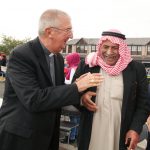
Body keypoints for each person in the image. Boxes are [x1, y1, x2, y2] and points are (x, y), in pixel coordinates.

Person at [0, 9, 101, 150]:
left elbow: (55, 94)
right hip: (22, 138)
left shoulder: (58, 58)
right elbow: (34, 99)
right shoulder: (21, 55)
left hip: (48, 137)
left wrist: (80, 98)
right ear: (49, 32)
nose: (71, 35)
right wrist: (76, 87)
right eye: (68, 30)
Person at [72, 29, 149, 150]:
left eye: (115, 48)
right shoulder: (87, 66)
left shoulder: (136, 69)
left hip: (121, 132)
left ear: (122, 49)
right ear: (100, 46)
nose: (109, 52)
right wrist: (81, 99)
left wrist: (135, 129)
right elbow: (72, 92)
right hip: (91, 131)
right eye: (106, 47)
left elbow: (143, 104)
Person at [61, 52, 81, 143]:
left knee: (73, 118)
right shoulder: (80, 67)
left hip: (72, 96)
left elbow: (70, 83)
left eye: (67, 59)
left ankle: (71, 137)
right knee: (77, 118)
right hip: (79, 97)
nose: (66, 61)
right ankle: (76, 135)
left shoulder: (73, 69)